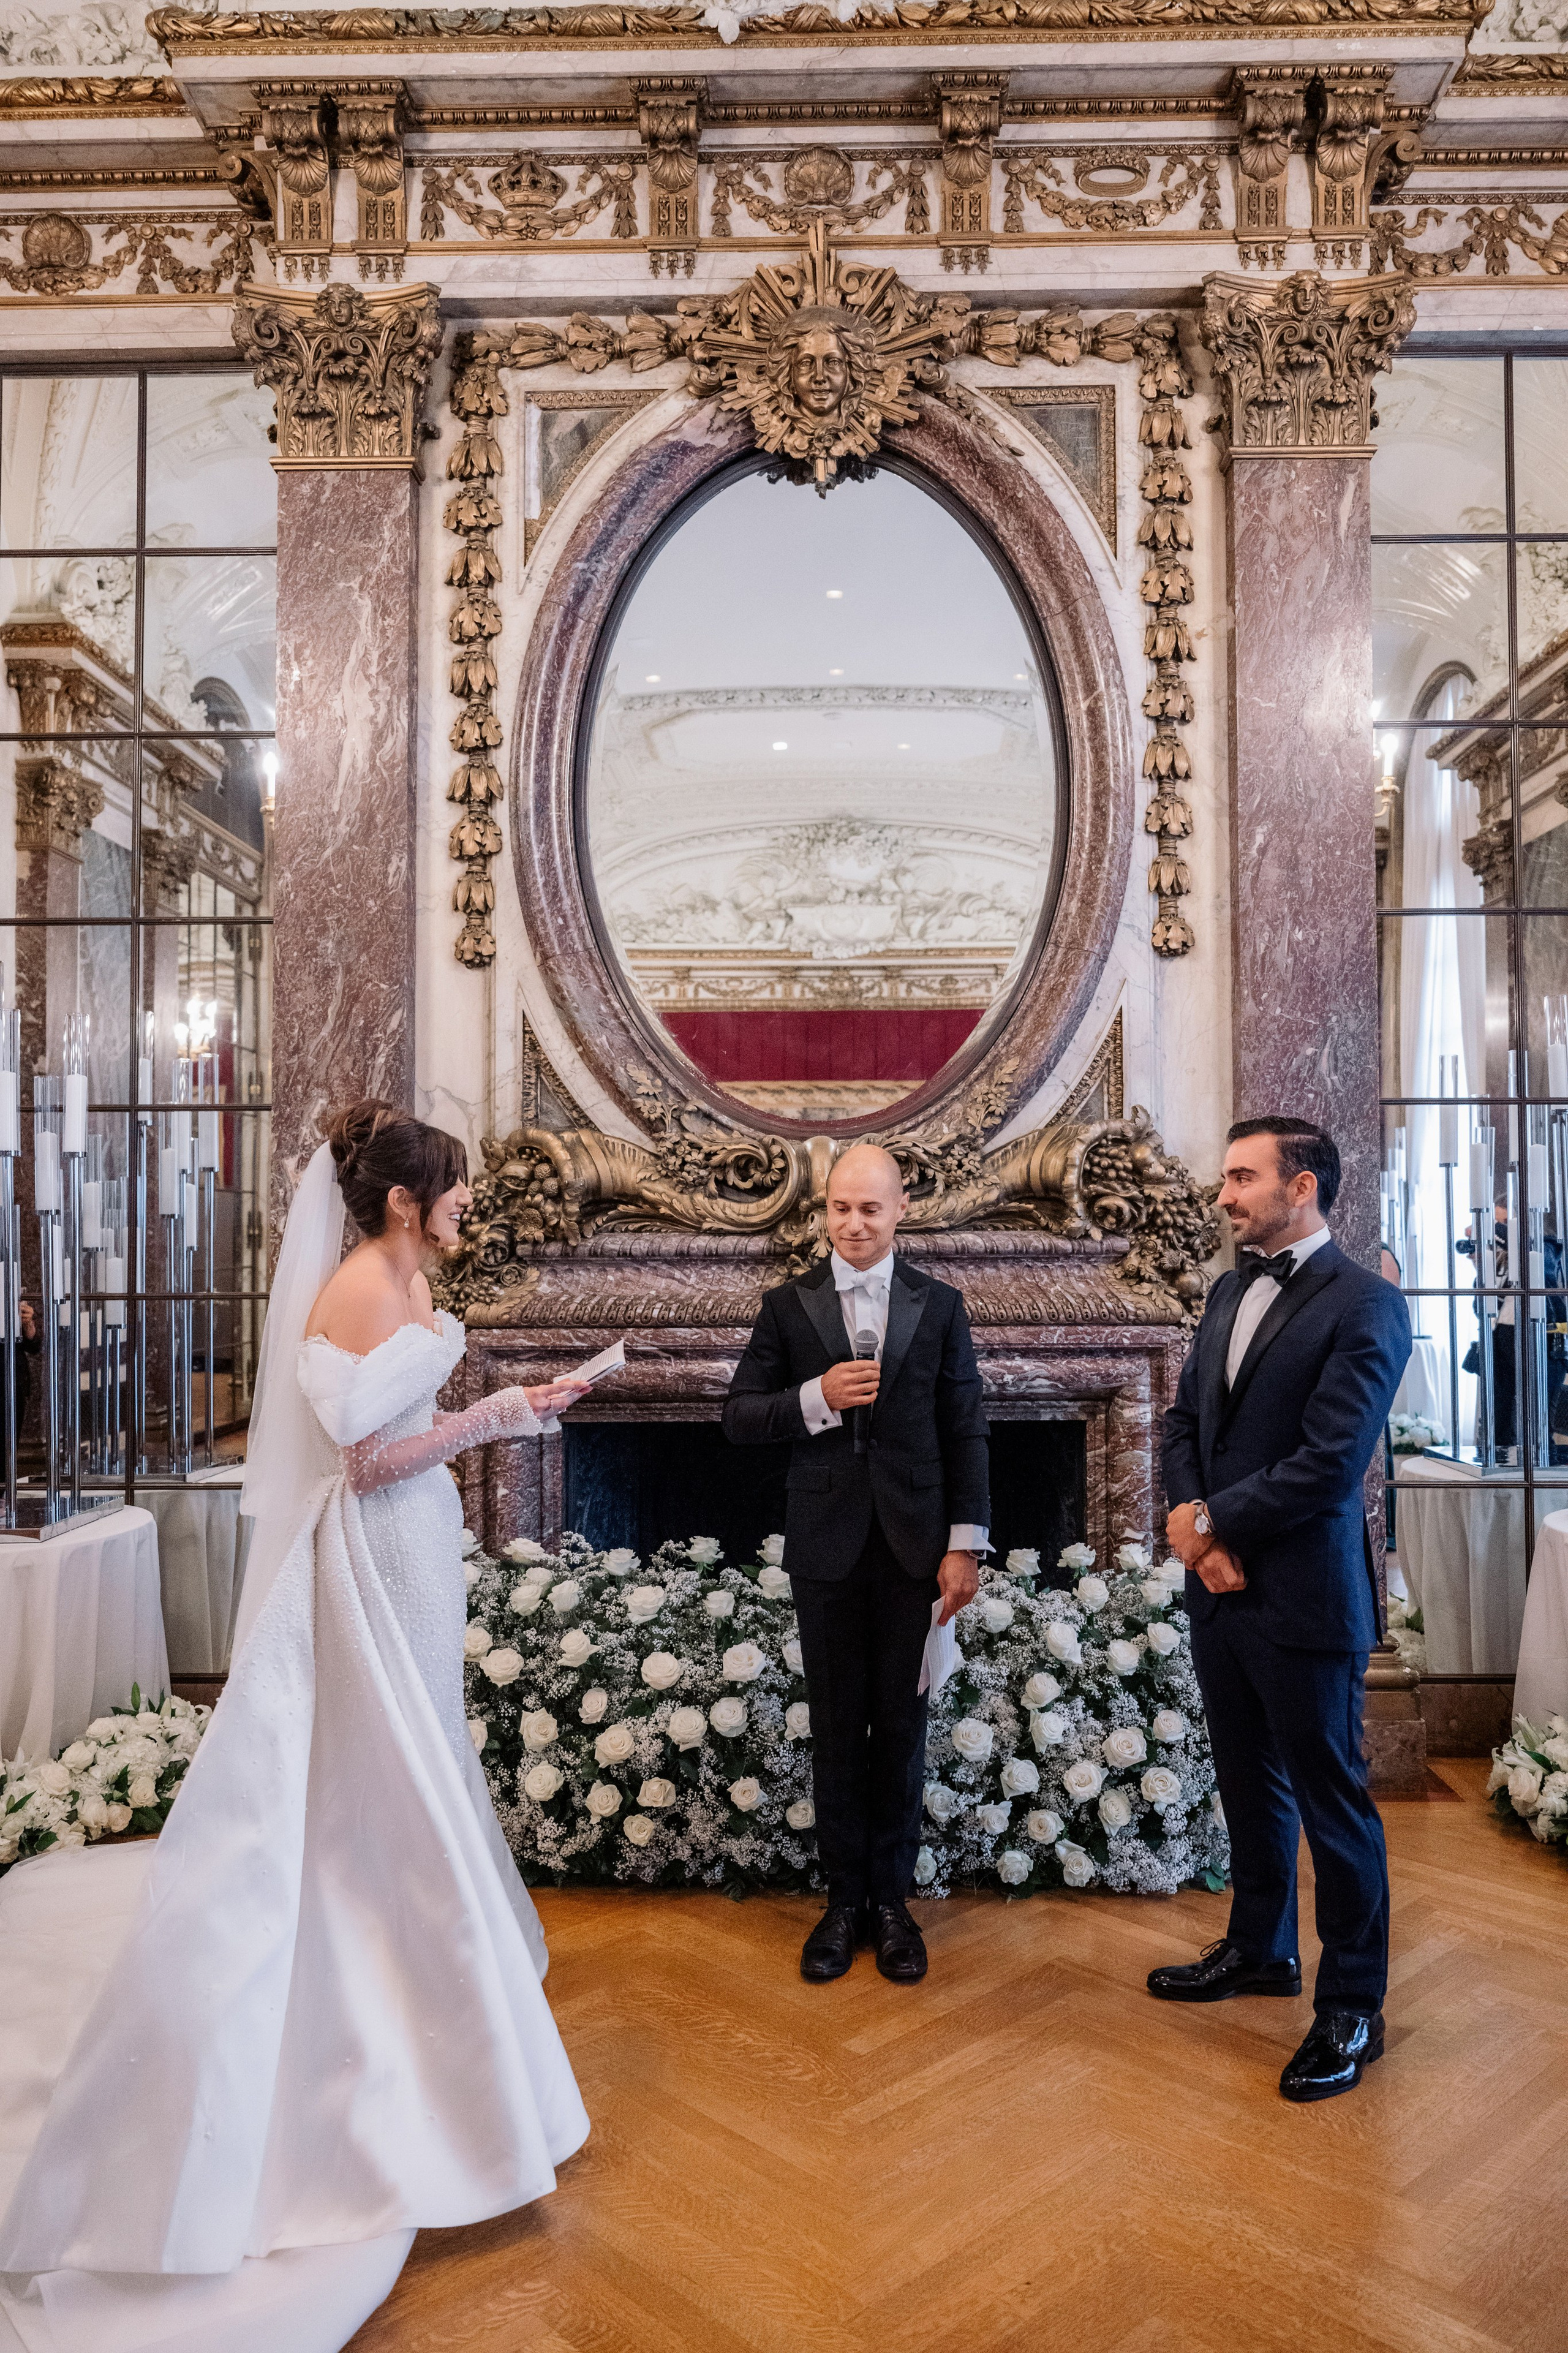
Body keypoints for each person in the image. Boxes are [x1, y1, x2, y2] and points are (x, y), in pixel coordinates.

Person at [0, 1101, 592, 2352]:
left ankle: (435, 1997)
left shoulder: (398, 1275)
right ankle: (402, 2022)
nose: (468, 1205)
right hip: (381, 1546)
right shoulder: (359, 1291)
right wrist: (496, 1418)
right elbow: (364, 1458)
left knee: (422, 1752)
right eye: (457, 1191)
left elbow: (393, 1443)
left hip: (419, 1541)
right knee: (398, 1768)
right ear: (400, 1203)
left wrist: (514, 1403)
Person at [1153, 1116, 1411, 2106]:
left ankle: (1353, 2003)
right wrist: (1193, 1527)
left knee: (1331, 1802)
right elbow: (1185, 1421)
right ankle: (1260, 1948)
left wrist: (1215, 1521)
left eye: (1241, 1177)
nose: (1224, 1195)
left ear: (1300, 1188)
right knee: (1247, 1783)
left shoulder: (1368, 1303)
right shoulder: (1227, 1288)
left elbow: (1331, 1463)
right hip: (1217, 1589)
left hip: (1304, 1594)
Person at [722, 1143, 989, 1986]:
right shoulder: (788, 1306)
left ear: (901, 1208)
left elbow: (968, 1428)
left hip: (916, 1551)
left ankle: (893, 1904)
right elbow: (737, 1416)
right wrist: (816, 1398)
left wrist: (963, 1542)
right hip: (827, 1549)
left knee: (902, 1729)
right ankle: (841, 1904)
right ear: (824, 1212)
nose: (855, 1222)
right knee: (837, 1727)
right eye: (841, 1208)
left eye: (871, 1208)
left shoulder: (940, 1306)